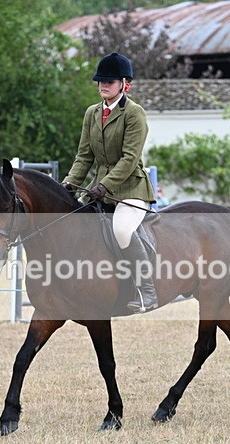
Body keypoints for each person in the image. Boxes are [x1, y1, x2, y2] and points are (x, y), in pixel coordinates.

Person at [61, 52, 158, 313]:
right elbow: (84, 156)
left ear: (124, 84)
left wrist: (105, 185)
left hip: (131, 188)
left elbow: (129, 159)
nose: (103, 84)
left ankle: (147, 290)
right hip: (99, 189)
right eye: (101, 80)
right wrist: (69, 184)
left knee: (122, 230)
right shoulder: (92, 113)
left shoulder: (134, 113)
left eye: (110, 81)